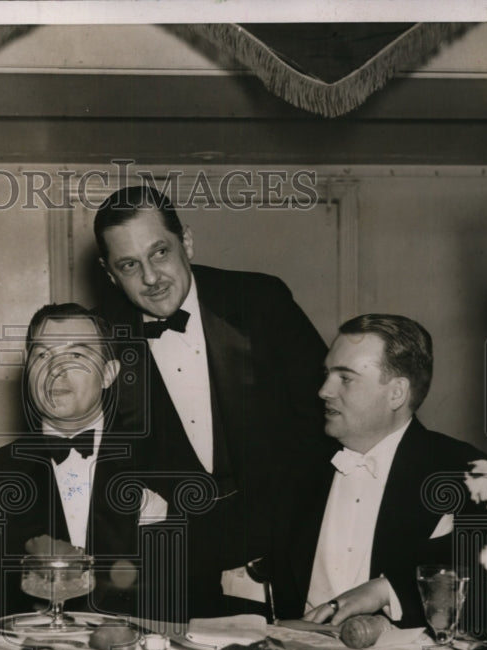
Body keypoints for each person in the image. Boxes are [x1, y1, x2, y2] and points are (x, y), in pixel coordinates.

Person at [93, 185, 329, 619]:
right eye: (129, 265)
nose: (150, 278)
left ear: (187, 241)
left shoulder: (261, 302)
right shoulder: (102, 341)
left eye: (160, 252)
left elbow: (325, 424)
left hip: (293, 563)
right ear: (110, 274)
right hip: (175, 582)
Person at [266, 314, 487, 629]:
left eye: (344, 377)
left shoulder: (469, 474)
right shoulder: (292, 465)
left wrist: (386, 590)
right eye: (326, 374)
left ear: (396, 393)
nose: (323, 391)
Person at [0, 304, 168, 621]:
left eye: (78, 356)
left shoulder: (160, 464)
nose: (55, 369)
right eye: (42, 356)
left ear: (108, 373)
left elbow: (181, 589)